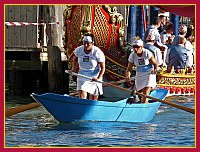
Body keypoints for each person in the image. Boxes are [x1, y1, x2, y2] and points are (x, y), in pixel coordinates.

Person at [70, 33, 105, 100]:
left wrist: (98, 78)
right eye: (84, 43)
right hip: (82, 74)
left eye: (88, 43)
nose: (86, 45)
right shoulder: (79, 50)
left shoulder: (97, 52)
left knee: (93, 99)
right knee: (82, 95)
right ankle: (82, 106)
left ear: (92, 43)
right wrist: (73, 69)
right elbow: (75, 58)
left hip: (94, 75)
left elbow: (103, 68)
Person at [125, 39, 158, 104]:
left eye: (137, 47)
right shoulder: (132, 55)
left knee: (145, 93)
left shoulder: (147, 53)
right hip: (139, 74)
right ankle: (144, 103)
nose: (135, 49)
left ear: (141, 47)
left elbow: (155, 64)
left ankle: (144, 105)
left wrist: (155, 70)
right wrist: (127, 75)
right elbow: (129, 69)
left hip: (149, 74)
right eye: (134, 47)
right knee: (139, 93)